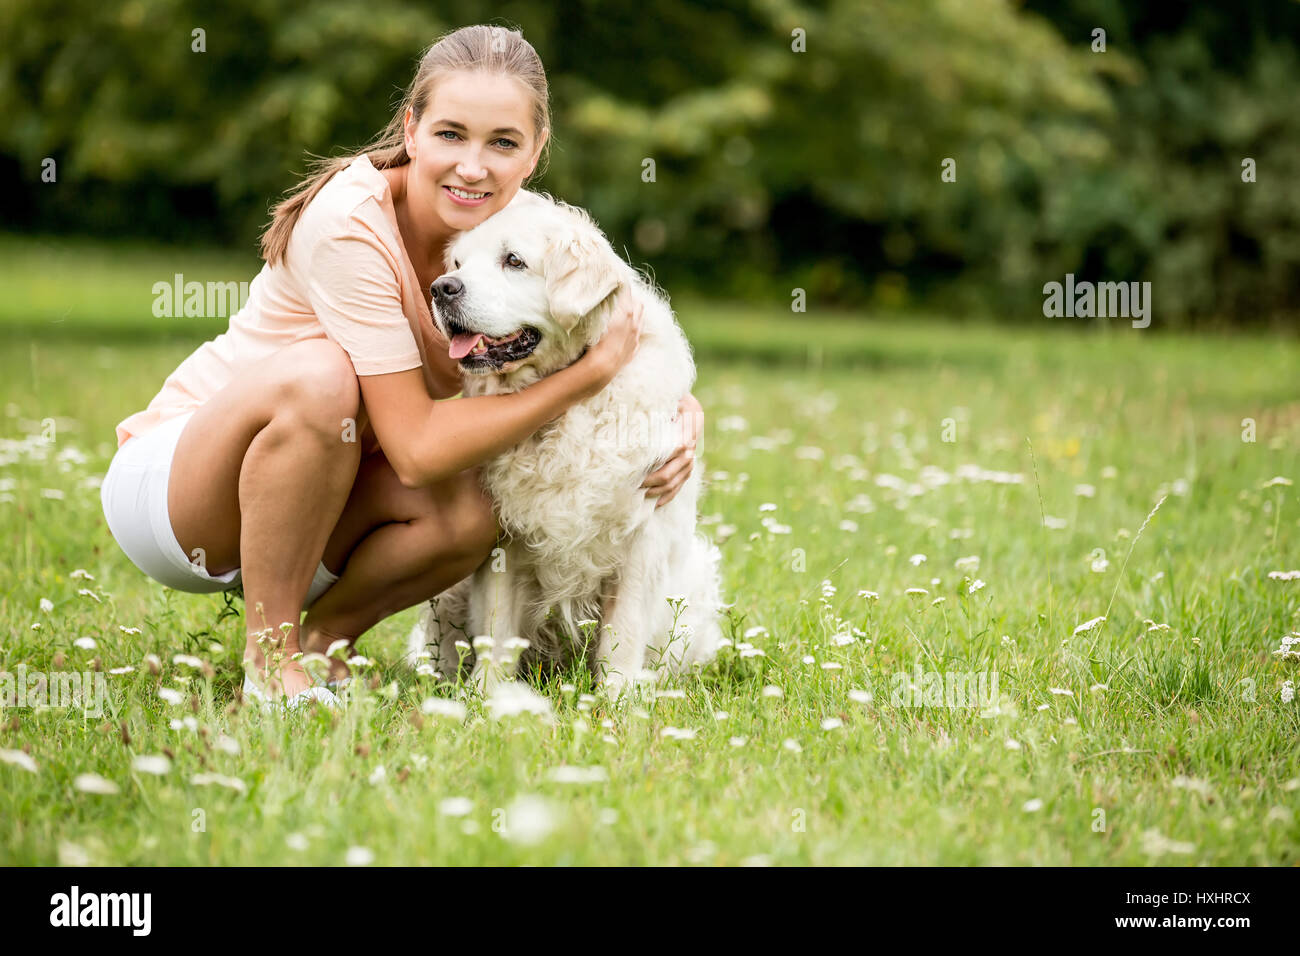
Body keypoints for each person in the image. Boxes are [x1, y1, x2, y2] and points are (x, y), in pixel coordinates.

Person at [99, 24, 703, 706]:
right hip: (180, 493)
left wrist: (675, 417)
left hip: (321, 492)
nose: (473, 166)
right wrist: (585, 380)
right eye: (451, 134)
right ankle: (270, 667)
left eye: (502, 142)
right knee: (325, 377)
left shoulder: (515, 226)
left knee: (475, 512)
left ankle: (321, 646)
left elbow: (628, 325)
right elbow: (416, 452)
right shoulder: (348, 222)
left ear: (534, 153)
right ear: (412, 130)